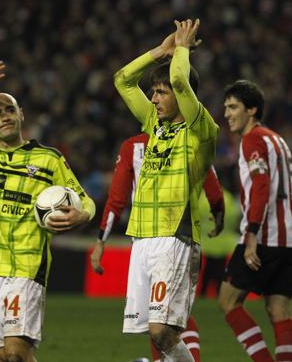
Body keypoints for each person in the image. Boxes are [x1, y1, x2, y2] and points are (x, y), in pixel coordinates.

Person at [0, 57, 95, 362]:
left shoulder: (49, 159)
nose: (4, 117)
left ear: (21, 114)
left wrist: (83, 214)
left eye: (9, 110)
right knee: (4, 357)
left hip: (25, 267)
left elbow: (85, 199)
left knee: (14, 354)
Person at [113, 19, 218, 362]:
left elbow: (178, 79)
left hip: (176, 236)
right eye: (154, 92)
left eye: (161, 92)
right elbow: (123, 80)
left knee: (162, 331)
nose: (154, 98)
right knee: (158, 336)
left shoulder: (201, 129)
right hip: (142, 236)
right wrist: (160, 51)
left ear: (183, 95)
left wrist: (183, 50)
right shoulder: (152, 125)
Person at [90, 132, 225, 362]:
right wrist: (218, 212)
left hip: (163, 241)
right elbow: (210, 182)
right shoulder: (188, 139)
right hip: (169, 240)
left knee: (163, 322)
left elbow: (117, 198)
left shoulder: (134, 146)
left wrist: (101, 240)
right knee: (160, 320)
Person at [218, 80, 292, 362]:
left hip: (265, 236)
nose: (227, 114)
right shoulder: (277, 140)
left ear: (251, 109)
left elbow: (261, 185)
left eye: (233, 107)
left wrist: (251, 234)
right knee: (279, 311)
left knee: (228, 301)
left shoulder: (251, 140)